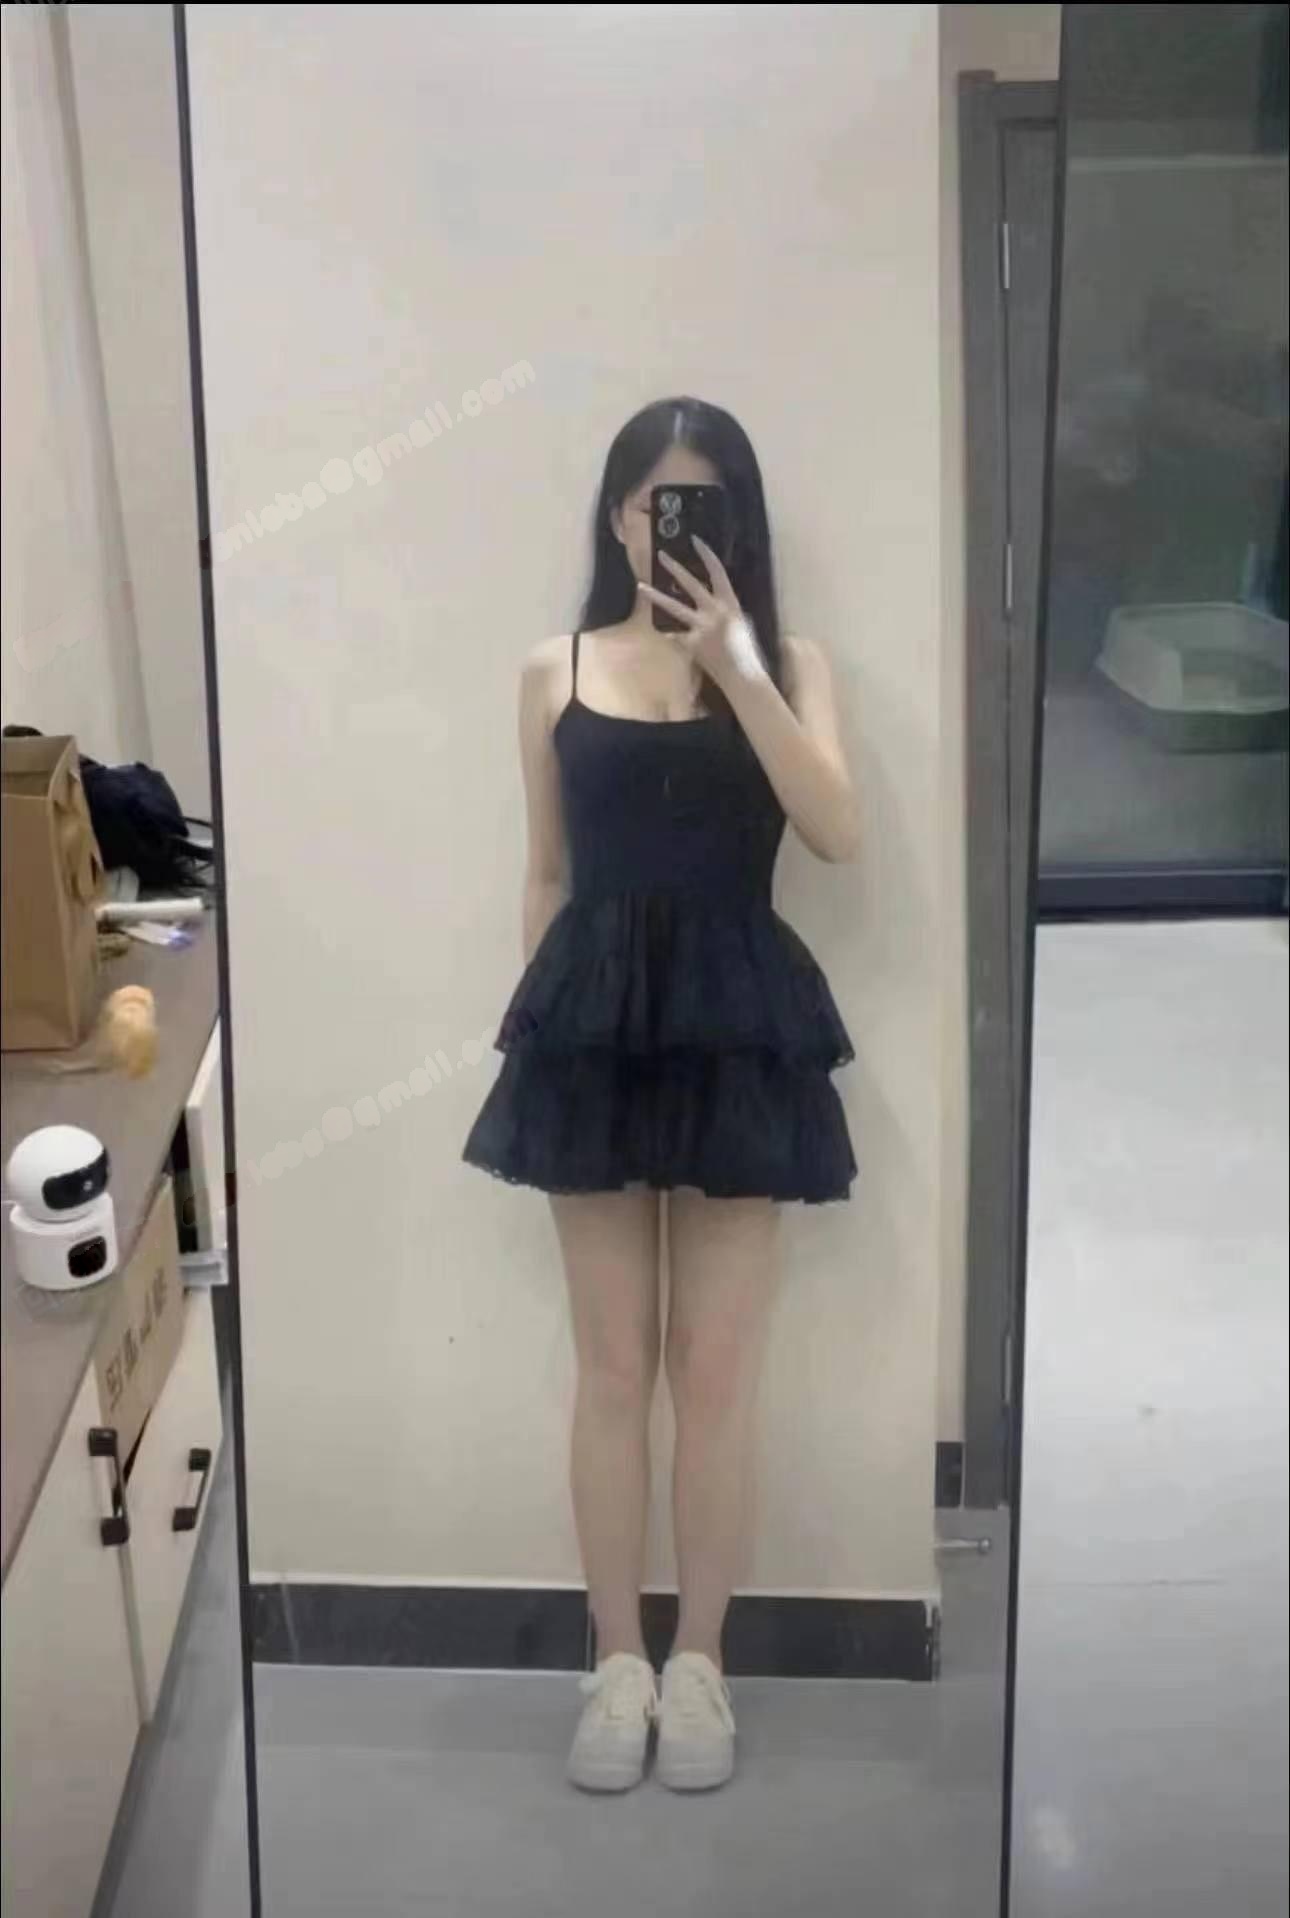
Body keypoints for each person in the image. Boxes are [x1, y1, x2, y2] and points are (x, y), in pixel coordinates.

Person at [464, 397, 857, 1792]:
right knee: (614, 1369)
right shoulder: (554, 667)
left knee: (716, 1374)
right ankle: (618, 1662)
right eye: (650, 503)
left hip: (740, 1027)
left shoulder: (788, 664)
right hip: (595, 1029)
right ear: (615, 515)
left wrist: (736, 668)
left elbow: (837, 828)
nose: (670, 528)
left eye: (701, 507)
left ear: (735, 525)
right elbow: (547, 873)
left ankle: (701, 1665)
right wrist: (539, 1035)